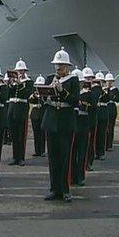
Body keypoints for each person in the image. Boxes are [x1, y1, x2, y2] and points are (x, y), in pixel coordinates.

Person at [43, 48, 79, 201]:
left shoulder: (73, 80)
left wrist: (62, 91)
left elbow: (75, 101)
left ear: (67, 67)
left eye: (61, 65)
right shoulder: (50, 78)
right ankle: (54, 188)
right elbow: (44, 100)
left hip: (65, 121)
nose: (58, 68)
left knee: (65, 157)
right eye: (57, 65)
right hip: (51, 121)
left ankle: (65, 189)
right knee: (53, 157)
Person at [7, 59, 33, 166]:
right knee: (13, 135)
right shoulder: (13, 83)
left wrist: (19, 84)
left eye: (21, 71)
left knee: (21, 135)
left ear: (24, 71)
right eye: (18, 71)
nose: (19, 73)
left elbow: (27, 94)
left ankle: (21, 157)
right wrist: (10, 84)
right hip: (12, 108)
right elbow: (9, 94)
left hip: (21, 108)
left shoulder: (28, 82)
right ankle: (15, 157)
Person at [72, 69, 92, 186]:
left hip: (82, 124)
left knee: (81, 152)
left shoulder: (87, 94)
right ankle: (73, 176)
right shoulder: (72, 94)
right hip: (72, 124)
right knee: (72, 152)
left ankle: (80, 176)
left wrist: (80, 103)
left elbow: (91, 106)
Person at [29, 75, 46, 157]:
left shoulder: (45, 94)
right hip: (35, 114)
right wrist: (35, 96)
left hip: (42, 113)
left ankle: (42, 150)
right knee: (36, 133)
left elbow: (45, 102)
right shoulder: (34, 93)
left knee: (42, 133)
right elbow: (30, 100)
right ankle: (37, 150)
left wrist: (41, 96)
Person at [104, 73, 119, 151]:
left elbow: (118, 99)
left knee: (110, 127)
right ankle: (104, 144)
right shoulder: (103, 89)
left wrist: (110, 94)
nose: (109, 83)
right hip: (105, 107)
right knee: (104, 128)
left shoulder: (115, 89)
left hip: (112, 107)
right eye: (107, 81)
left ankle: (109, 144)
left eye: (110, 81)